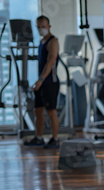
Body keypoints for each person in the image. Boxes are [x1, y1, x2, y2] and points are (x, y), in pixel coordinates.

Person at [24, 15, 60, 148]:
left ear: (49, 26)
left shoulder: (53, 41)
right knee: (38, 111)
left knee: (51, 111)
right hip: (41, 82)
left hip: (50, 81)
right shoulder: (41, 42)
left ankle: (55, 139)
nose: (41, 29)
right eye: (38, 27)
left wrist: (41, 80)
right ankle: (39, 138)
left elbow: (51, 62)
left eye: (43, 27)